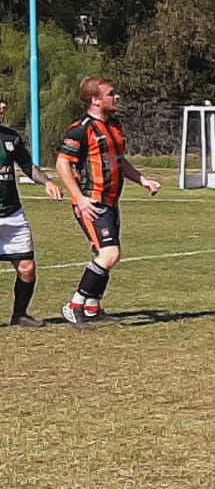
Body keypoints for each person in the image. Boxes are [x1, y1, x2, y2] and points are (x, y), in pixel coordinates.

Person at [55, 77, 161, 328]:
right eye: (111, 93)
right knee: (109, 253)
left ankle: (92, 308)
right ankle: (74, 306)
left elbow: (119, 161)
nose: (117, 97)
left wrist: (142, 180)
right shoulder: (81, 129)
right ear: (95, 100)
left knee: (106, 254)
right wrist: (79, 198)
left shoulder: (114, 125)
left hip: (111, 202)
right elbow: (62, 163)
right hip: (92, 203)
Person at [0, 100, 65, 327]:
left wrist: (47, 182)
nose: (3, 106)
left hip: (12, 213)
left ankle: (20, 315)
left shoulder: (11, 137)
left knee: (27, 267)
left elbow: (28, 167)